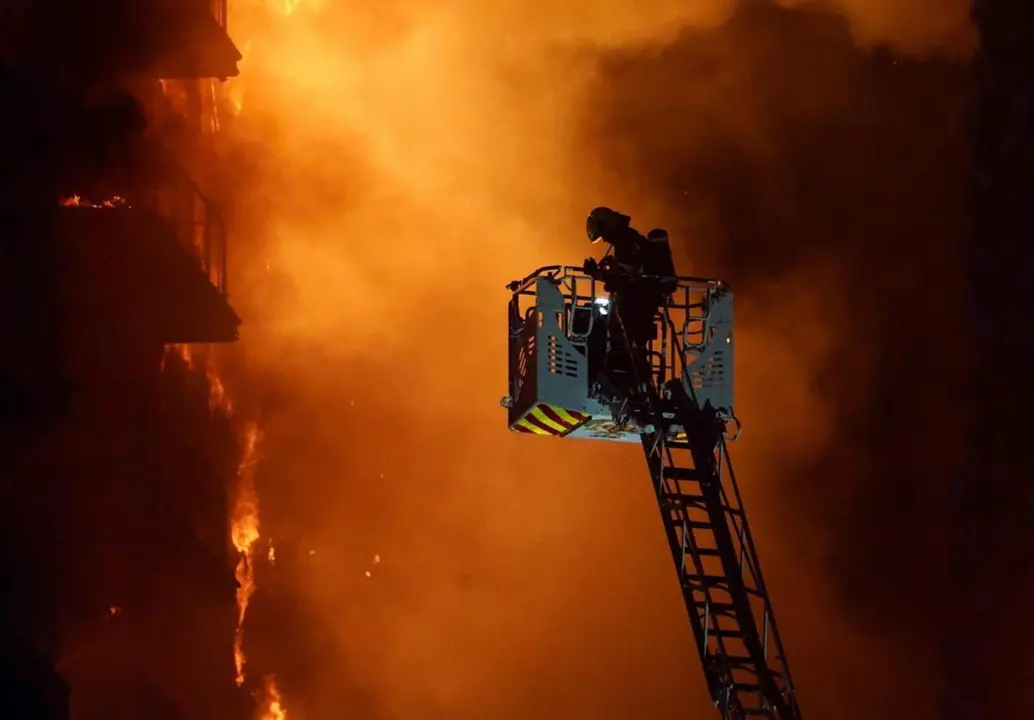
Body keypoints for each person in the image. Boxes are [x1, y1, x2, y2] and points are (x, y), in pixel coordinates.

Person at [583, 207, 677, 411]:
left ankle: (635, 390)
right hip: (641, 300)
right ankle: (636, 389)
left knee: (627, 345)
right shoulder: (628, 240)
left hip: (636, 302)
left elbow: (628, 277)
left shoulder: (626, 241)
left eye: (603, 234)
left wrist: (599, 275)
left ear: (607, 225)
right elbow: (627, 273)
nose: (605, 240)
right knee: (631, 346)